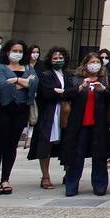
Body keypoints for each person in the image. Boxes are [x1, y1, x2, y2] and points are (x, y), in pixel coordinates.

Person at [61, 53, 110, 197]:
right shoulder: (75, 79)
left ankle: (100, 185)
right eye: (92, 61)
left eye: (97, 61)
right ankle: (71, 185)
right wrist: (80, 88)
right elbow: (66, 94)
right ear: (85, 64)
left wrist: (103, 89)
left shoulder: (105, 78)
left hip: (99, 124)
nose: (95, 64)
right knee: (76, 156)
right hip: (78, 125)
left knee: (100, 156)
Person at [0, 39, 35, 196]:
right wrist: (24, 83)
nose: (17, 54)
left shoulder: (28, 68)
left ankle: (5, 178)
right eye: (14, 50)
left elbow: (35, 85)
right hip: (1, 109)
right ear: (7, 52)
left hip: (20, 110)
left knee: (11, 144)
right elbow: (2, 85)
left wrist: (17, 80)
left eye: (20, 51)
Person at [27, 47, 67, 190]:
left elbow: (73, 92)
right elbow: (47, 93)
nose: (58, 60)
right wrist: (60, 93)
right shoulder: (45, 74)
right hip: (50, 113)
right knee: (46, 144)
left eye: (61, 58)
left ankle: (68, 173)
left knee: (67, 143)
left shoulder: (68, 74)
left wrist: (60, 92)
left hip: (66, 112)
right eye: (55, 58)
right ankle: (45, 176)